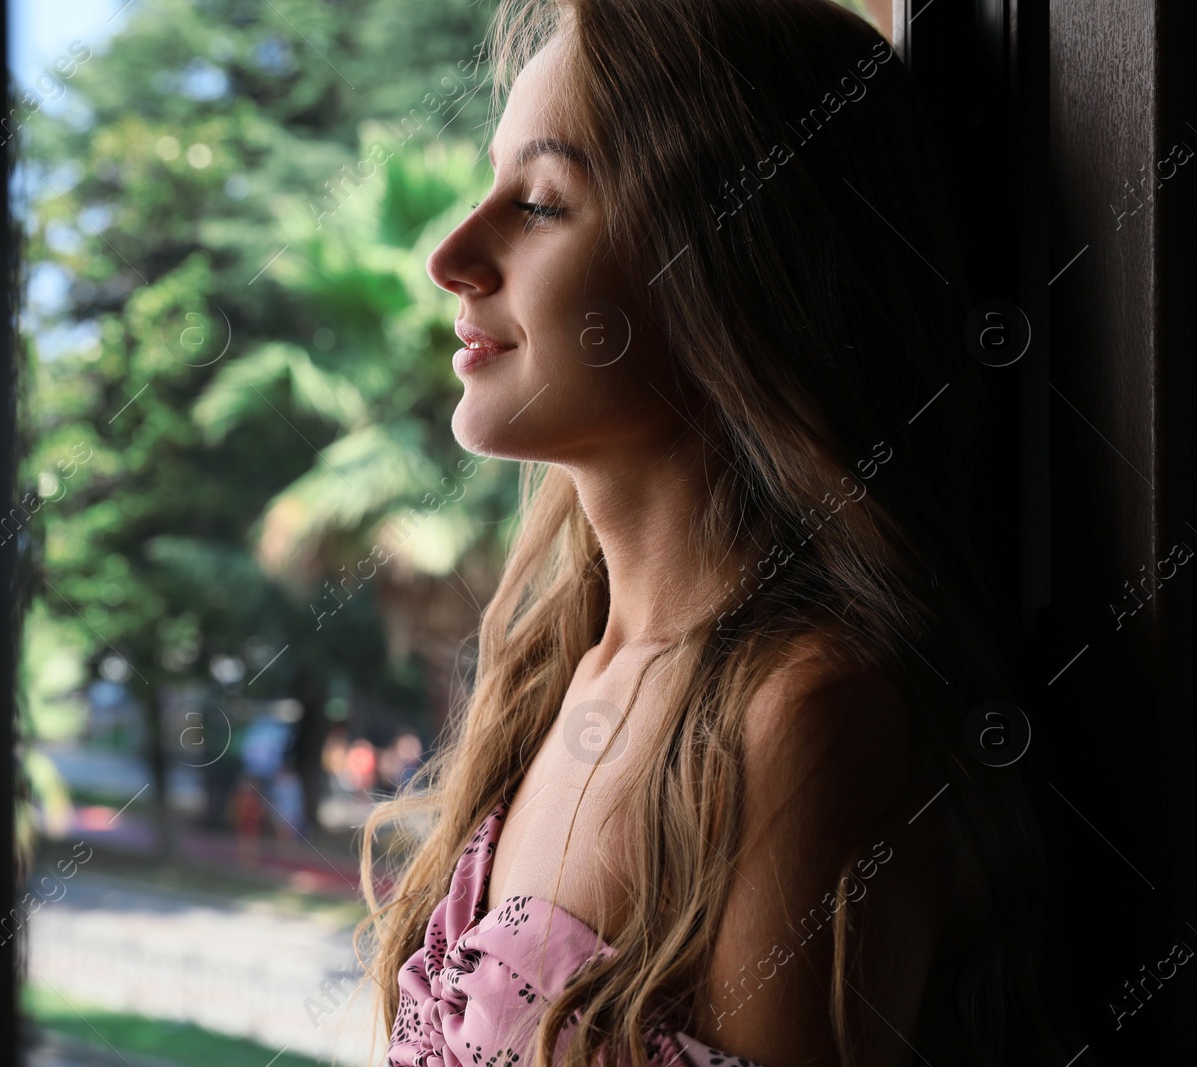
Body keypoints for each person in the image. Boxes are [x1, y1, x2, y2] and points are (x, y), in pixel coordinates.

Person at [352, 1, 1070, 1065]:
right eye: (487, 186)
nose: (452, 255)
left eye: (542, 203)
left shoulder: (804, 724)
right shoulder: (550, 674)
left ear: (735, 261)